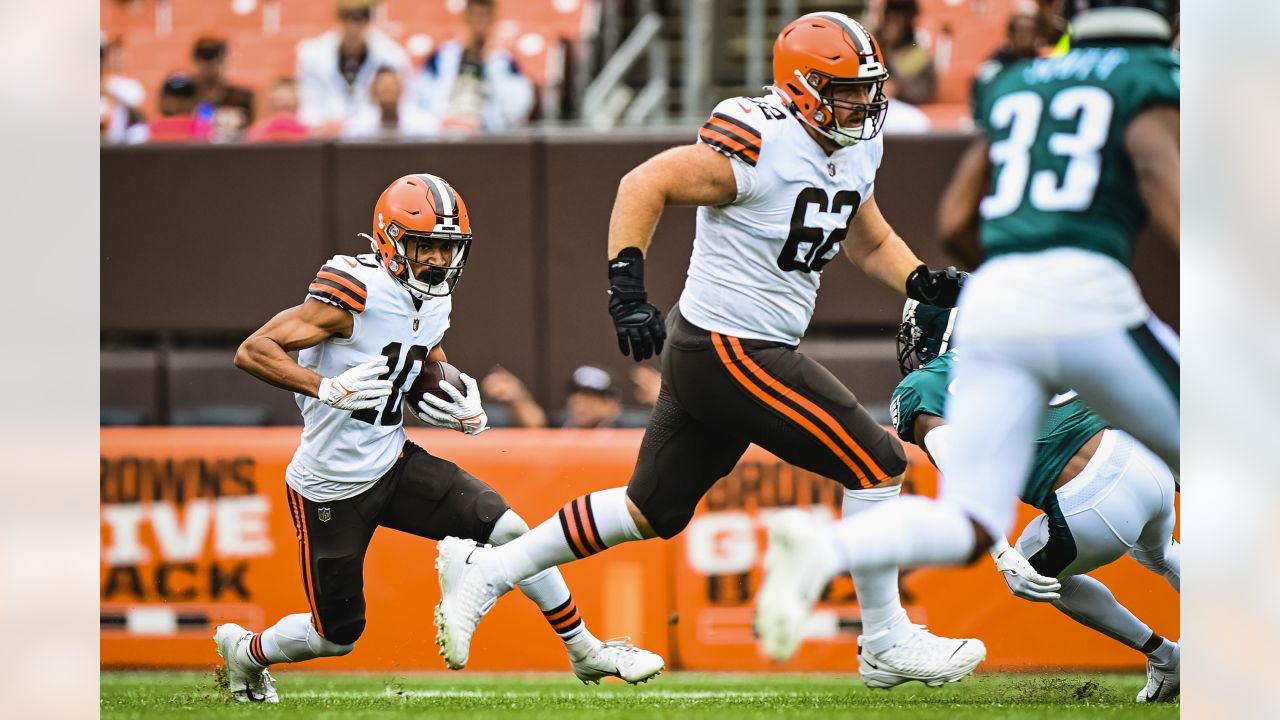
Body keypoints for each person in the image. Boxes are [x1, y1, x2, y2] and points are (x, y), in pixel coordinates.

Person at [432, 12, 979, 689]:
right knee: (879, 462)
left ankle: (490, 570)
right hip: (733, 346)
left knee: (648, 511)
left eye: (868, 88)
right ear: (804, 87)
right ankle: (885, 641)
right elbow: (644, 183)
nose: (863, 103)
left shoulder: (855, 146)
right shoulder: (760, 141)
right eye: (846, 89)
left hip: (720, 348)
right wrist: (626, 290)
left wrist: (918, 278)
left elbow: (862, 234)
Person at [754, 0, 1181, 700]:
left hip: (1010, 300)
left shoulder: (1014, 83)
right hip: (1084, 294)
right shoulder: (1145, 75)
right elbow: (1169, 187)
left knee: (966, 524)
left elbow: (955, 222)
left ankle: (829, 549)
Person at [217, 173, 663, 703]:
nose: (435, 259)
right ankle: (247, 653)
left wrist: (455, 398)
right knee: (334, 637)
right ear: (389, 239)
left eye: (446, 247)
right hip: (329, 484)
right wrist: (325, 386)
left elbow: (418, 355)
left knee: (512, 530)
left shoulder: (433, 300)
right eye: (424, 245)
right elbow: (254, 350)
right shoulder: (352, 290)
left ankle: (584, 648)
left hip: (392, 459)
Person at [886, 300, 1180, 701]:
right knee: (1162, 553)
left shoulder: (924, 387)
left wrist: (1001, 554)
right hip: (1141, 457)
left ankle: (1165, 657)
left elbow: (961, 471)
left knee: (1033, 567)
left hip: (1089, 506)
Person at [410, 0, 534, 132]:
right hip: (444, 137)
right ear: (466, 16)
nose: (479, 22)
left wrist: (493, 63)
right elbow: (415, 99)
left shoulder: (505, 62)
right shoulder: (442, 58)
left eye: (484, 15)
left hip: (486, 140)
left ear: (492, 18)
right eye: (475, 15)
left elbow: (516, 111)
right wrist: (438, 123)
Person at [296, 0, 411, 132]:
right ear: (338, 16)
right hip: (325, 137)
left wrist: (358, 125)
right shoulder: (312, 55)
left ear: (371, 18)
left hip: (373, 136)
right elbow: (307, 104)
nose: (353, 24)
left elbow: (402, 106)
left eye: (361, 16)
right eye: (347, 15)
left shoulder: (393, 56)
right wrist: (327, 125)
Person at [342, 67, 439, 139]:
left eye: (392, 85)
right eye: (382, 85)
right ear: (373, 91)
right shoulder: (359, 123)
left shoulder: (420, 121)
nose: (388, 89)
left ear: (402, 89)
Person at [191, 36, 255, 138]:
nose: (209, 63)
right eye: (203, 57)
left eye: (215, 57)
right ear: (196, 61)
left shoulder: (242, 98)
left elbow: (254, 135)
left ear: (225, 61)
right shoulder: (186, 98)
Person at [874, 0, 935, 106]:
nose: (895, 19)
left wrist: (895, 87)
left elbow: (921, 94)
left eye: (901, 14)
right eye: (891, 13)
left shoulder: (918, 52)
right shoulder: (871, 42)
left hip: (904, 108)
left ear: (911, 17)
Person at [552, 366, 649, 429]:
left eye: (589, 401)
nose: (581, 408)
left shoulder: (635, 427)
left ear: (612, 403)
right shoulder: (558, 423)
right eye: (577, 401)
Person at [246, 78, 310, 143]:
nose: (282, 116)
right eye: (278, 108)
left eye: (286, 107)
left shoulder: (256, 132)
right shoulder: (256, 131)